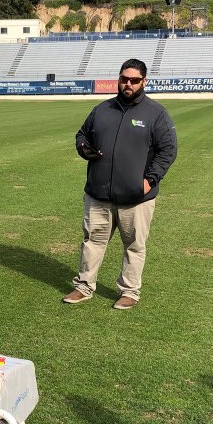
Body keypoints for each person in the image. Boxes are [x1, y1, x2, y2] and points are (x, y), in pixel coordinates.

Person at [63, 58, 177, 309]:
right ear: (119, 78)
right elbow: (82, 134)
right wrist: (84, 148)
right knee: (92, 242)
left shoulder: (156, 113)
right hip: (98, 194)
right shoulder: (102, 109)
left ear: (143, 82)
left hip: (136, 198)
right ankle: (84, 286)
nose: (128, 84)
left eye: (134, 80)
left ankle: (129, 291)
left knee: (134, 246)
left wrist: (149, 181)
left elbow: (168, 150)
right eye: (124, 79)